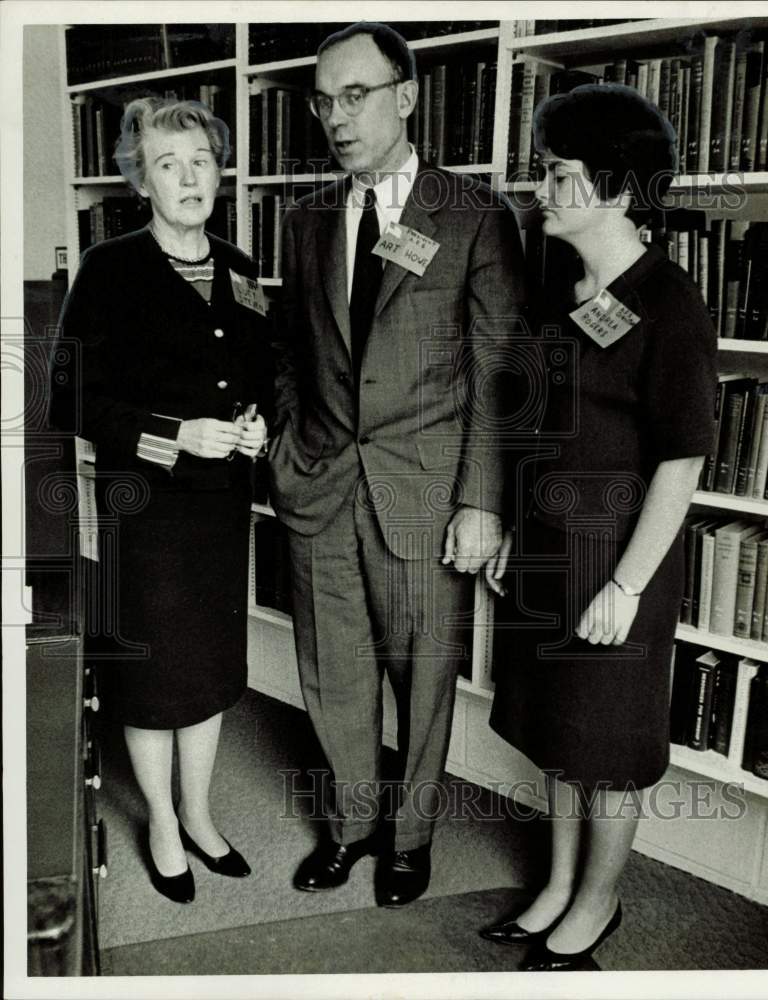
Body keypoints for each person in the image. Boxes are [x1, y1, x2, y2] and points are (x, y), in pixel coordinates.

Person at [268, 21, 525, 907]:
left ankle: (409, 838)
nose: (335, 116)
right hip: (320, 484)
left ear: (406, 97)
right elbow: (292, 356)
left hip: (424, 491)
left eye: (357, 94)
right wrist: (284, 452)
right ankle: (347, 827)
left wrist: (482, 503)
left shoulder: (475, 214)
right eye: (323, 99)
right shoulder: (304, 220)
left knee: (422, 677)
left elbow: (497, 370)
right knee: (332, 669)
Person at [481, 85, 718, 969]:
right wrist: (509, 525)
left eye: (559, 173)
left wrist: (626, 585)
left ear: (616, 191)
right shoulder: (559, 288)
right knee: (558, 730)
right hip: (547, 548)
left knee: (608, 745)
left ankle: (599, 902)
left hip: (620, 564)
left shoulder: (671, 303)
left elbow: (682, 461)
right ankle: (557, 885)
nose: (541, 187)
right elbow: (542, 426)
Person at [50, 97, 271, 904]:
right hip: (144, 510)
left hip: (219, 510)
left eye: (201, 161)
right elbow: (69, 399)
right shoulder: (110, 269)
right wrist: (173, 433)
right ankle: (164, 826)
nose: (187, 178)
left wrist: (258, 425)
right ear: (141, 178)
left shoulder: (242, 270)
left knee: (208, 668)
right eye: (167, 164)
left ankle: (201, 813)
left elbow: (263, 378)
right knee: (152, 675)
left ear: (220, 172)